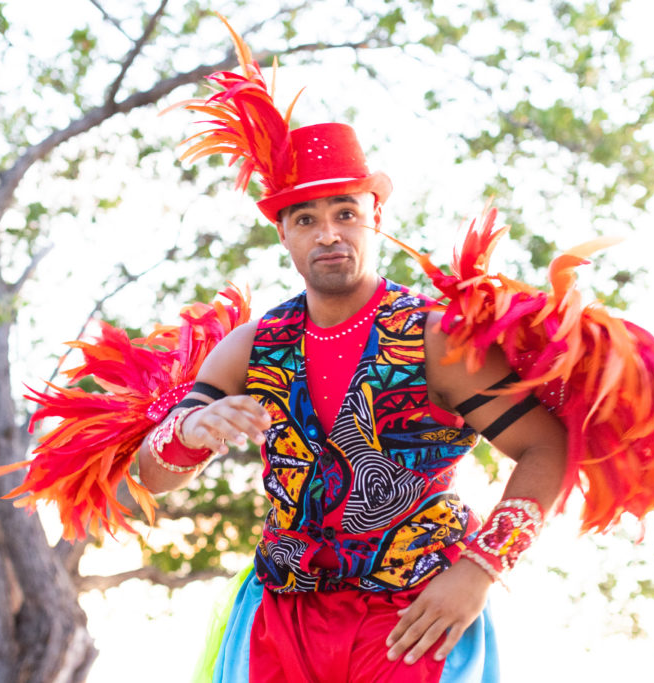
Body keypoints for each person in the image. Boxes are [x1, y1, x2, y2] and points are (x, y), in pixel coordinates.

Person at [136, 115, 567, 681]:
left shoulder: (436, 339)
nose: (328, 234)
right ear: (282, 232)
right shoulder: (249, 348)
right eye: (306, 219)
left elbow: (547, 448)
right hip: (278, 620)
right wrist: (188, 432)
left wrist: (481, 570)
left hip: (413, 619)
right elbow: (153, 474)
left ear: (376, 219)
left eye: (345, 213)